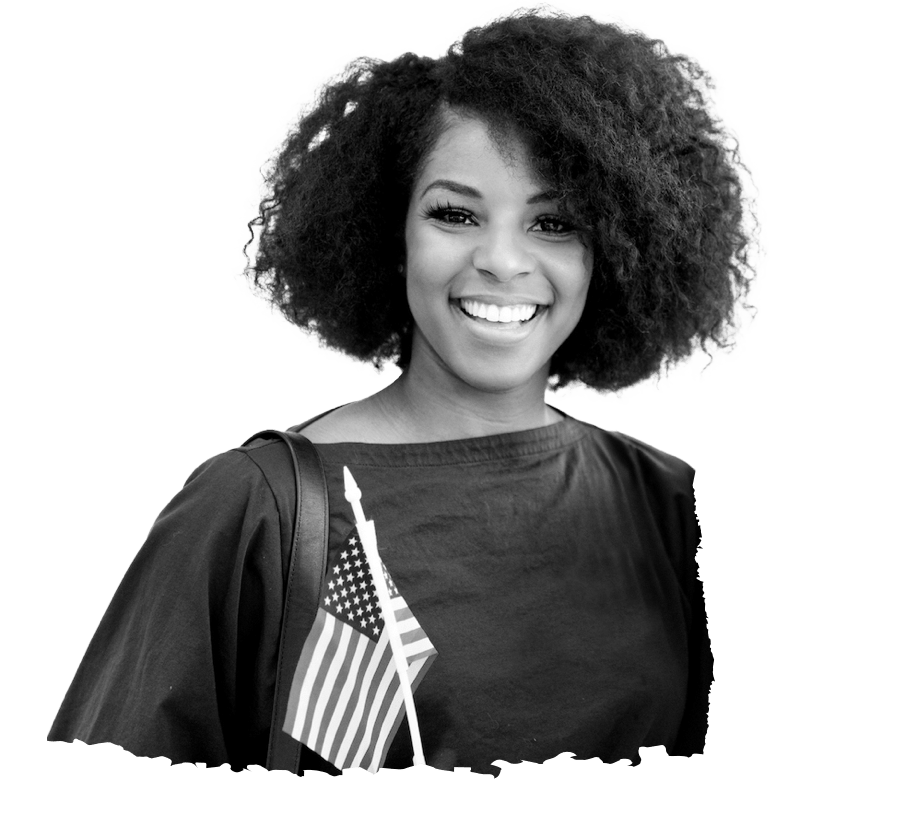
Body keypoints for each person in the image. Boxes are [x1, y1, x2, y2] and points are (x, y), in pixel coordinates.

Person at [48, 1, 764, 776]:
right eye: (455, 214)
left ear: (618, 250)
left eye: (554, 223)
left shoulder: (671, 508)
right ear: (392, 236)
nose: (502, 261)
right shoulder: (257, 508)